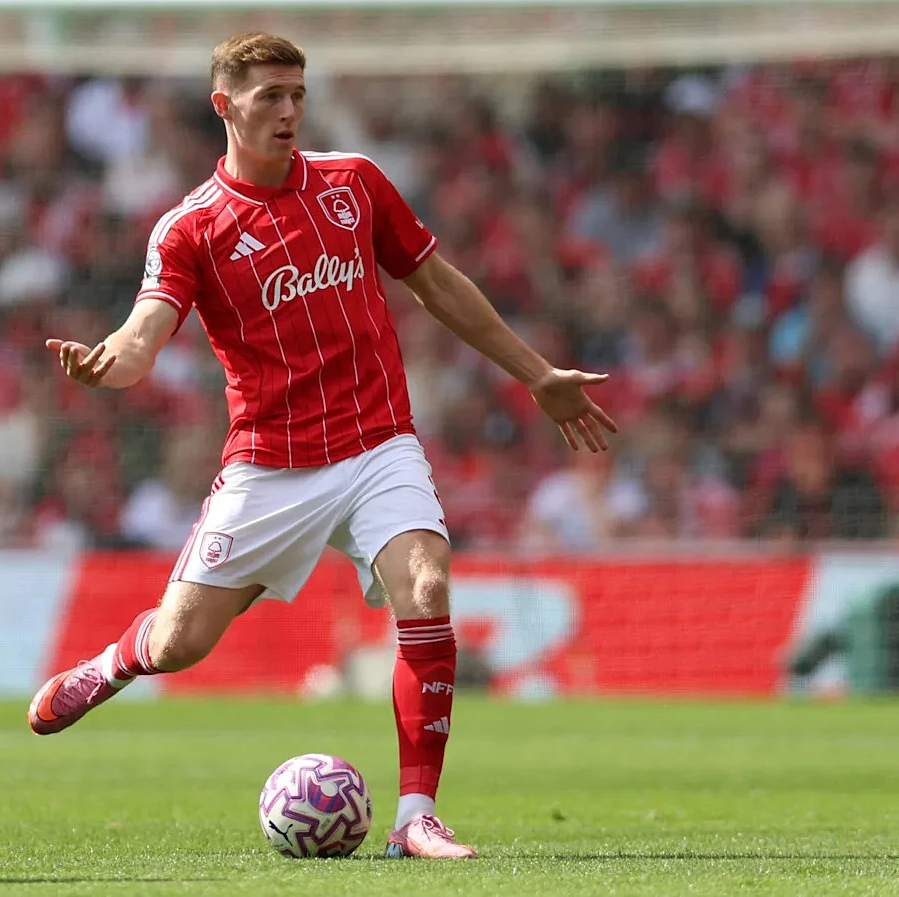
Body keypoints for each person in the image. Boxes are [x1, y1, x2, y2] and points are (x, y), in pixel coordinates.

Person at [30, 32, 617, 860]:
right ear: (224, 105)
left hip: (378, 443)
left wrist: (537, 373)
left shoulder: (354, 183)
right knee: (180, 643)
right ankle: (114, 663)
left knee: (427, 582)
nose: (288, 111)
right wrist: (110, 364)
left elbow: (437, 283)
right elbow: (143, 332)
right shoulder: (190, 228)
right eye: (269, 96)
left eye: (297, 95)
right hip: (269, 466)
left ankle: (416, 816)